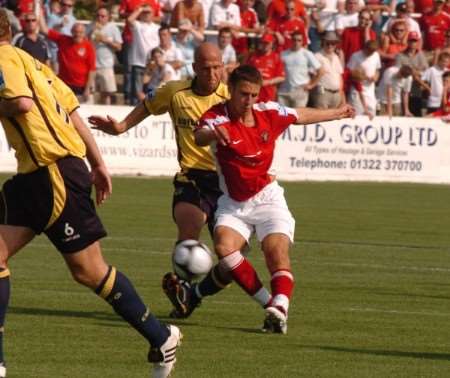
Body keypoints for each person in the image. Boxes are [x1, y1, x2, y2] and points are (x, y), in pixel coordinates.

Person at [0, 9, 180, 378]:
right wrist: (98, 164)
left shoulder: (2, 59)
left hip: (52, 176)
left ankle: (161, 337)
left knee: (89, 270)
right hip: (44, 175)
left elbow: (20, 103)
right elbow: (73, 113)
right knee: (73, 268)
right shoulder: (36, 64)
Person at [88, 43, 251, 319]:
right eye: (205, 68)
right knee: (189, 231)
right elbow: (148, 106)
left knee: (233, 260)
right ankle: (183, 286)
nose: (212, 73)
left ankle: (193, 296)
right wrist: (120, 127)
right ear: (195, 68)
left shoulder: (231, 96)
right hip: (192, 178)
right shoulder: (175, 92)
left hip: (227, 183)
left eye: (216, 67)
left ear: (223, 66)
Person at [194, 64, 355, 333]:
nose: (249, 101)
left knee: (275, 252)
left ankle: (278, 307)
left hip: (268, 197)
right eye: (243, 94)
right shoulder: (216, 117)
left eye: (254, 95)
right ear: (230, 90)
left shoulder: (268, 113)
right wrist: (211, 134)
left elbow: (300, 115)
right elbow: (199, 136)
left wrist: (336, 113)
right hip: (233, 204)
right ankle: (273, 305)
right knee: (224, 248)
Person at [87, 6, 123, 105]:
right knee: (90, 92)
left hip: (106, 65)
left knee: (107, 93)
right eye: (98, 15)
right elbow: (84, 42)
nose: (100, 18)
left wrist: (106, 41)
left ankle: (105, 114)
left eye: (103, 16)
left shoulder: (113, 27)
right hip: (91, 65)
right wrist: (91, 32)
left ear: (108, 17)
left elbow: (119, 47)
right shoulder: (90, 26)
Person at [278, 30, 323, 107]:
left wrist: (311, 85)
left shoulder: (307, 53)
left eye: (299, 40)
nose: (296, 42)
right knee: (283, 117)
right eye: (294, 40)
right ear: (291, 40)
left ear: (302, 42)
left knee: (299, 117)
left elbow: (321, 71)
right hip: (283, 91)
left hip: (300, 91)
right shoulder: (283, 54)